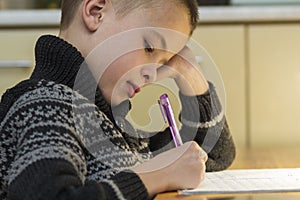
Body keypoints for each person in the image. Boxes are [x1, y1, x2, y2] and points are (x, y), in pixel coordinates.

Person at [0, 0, 235, 199]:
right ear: (96, 12)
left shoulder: (109, 123)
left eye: (163, 63)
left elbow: (212, 155)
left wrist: (191, 76)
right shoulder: (45, 105)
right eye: (149, 47)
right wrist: (157, 175)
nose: (152, 74)